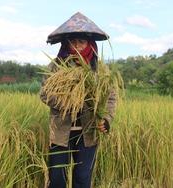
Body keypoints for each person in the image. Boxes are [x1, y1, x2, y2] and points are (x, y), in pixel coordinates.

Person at [39, 12, 116, 188]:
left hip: (88, 133)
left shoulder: (100, 70)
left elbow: (111, 97)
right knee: (58, 178)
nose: (77, 46)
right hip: (60, 133)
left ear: (90, 44)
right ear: (66, 44)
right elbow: (44, 93)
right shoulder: (56, 67)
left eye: (81, 42)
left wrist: (106, 119)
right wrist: (69, 102)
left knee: (82, 179)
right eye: (73, 42)